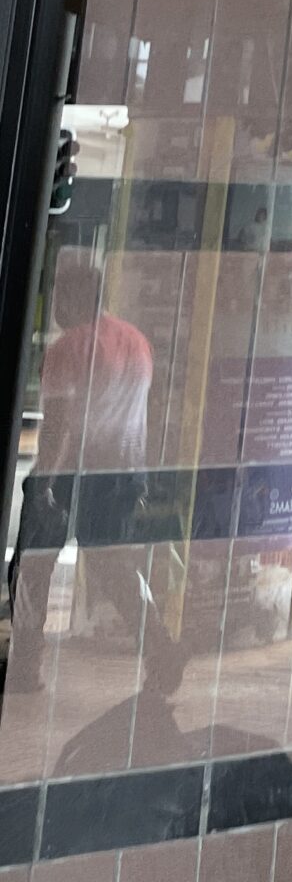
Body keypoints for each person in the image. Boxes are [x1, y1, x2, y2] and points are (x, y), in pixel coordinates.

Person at [10, 247, 153, 687]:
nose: (54, 303)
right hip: (124, 473)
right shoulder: (136, 340)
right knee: (115, 569)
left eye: (59, 294)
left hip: (71, 475)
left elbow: (57, 427)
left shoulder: (68, 348)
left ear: (74, 299)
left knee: (31, 569)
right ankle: (161, 646)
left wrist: (42, 482)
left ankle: (25, 667)